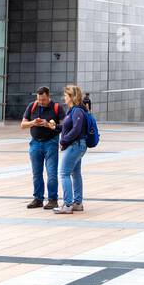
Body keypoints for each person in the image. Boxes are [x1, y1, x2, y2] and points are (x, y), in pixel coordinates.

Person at [22, 86, 63, 210]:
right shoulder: (32, 106)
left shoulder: (56, 107)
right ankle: (38, 198)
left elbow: (64, 126)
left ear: (48, 96)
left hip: (51, 142)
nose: (41, 103)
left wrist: (48, 124)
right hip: (35, 143)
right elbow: (23, 124)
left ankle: (52, 199)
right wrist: (33, 123)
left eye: (43, 100)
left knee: (51, 173)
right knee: (36, 173)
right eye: (39, 100)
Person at [54, 85, 89, 215]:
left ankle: (68, 204)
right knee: (75, 173)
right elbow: (68, 127)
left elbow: (76, 130)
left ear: (72, 97)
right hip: (77, 144)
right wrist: (56, 127)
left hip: (75, 145)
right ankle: (77, 203)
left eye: (66, 95)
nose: (64, 97)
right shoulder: (73, 110)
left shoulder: (77, 111)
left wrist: (64, 140)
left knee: (64, 173)